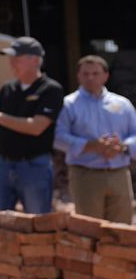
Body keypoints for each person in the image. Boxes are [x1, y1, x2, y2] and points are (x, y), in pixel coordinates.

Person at [0, 36, 63, 214]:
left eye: (17, 59)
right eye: (10, 58)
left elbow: (37, 127)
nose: (11, 63)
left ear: (35, 61)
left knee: (37, 224)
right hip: (3, 165)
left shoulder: (50, 89)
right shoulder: (8, 88)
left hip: (34, 166)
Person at [54, 55, 136, 223]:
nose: (90, 78)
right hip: (86, 174)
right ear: (78, 76)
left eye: (95, 73)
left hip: (119, 174)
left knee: (121, 230)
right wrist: (90, 146)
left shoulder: (123, 104)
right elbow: (57, 137)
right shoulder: (68, 104)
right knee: (90, 231)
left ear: (106, 76)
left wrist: (123, 147)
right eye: (86, 74)